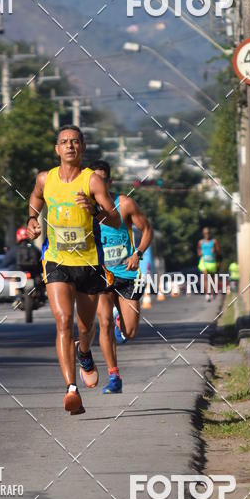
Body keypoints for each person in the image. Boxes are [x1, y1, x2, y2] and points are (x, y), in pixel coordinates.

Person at [26, 125, 121, 415]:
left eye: (75, 142)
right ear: (57, 149)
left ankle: (84, 353)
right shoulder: (46, 178)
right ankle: (71, 389)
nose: (70, 146)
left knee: (85, 327)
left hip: (89, 264)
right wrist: (32, 219)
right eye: (64, 142)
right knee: (64, 320)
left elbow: (115, 220)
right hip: (57, 261)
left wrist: (94, 211)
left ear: (82, 147)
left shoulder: (92, 181)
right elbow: (35, 197)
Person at [88, 160, 153, 394]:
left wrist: (138, 253)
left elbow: (147, 230)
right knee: (103, 323)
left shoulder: (124, 203)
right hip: (101, 274)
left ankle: (120, 323)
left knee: (130, 332)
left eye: (103, 179)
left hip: (127, 274)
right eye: (94, 179)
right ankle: (114, 376)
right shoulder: (85, 208)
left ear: (109, 182)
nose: (99, 183)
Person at [197, 227, 220, 301]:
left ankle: (212, 291)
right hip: (203, 262)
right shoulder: (201, 242)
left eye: (208, 233)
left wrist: (215, 251)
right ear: (203, 234)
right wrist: (200, 253)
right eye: (205, 233)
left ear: (210, 233)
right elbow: (198, 250)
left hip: (212, 262)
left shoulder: (214, 241)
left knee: (212, 279)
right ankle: (207, 294)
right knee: (205, 276)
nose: (207, 234)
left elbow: (218, 251)